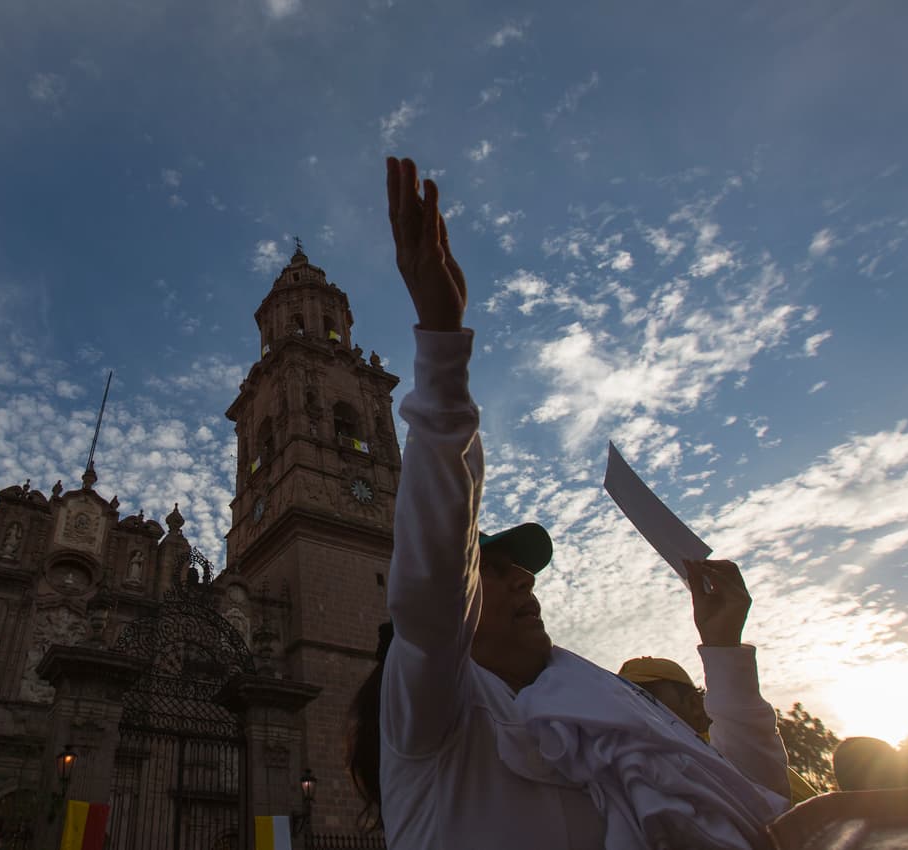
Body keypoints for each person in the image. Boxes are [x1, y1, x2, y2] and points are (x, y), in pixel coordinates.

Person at [347, 157, 790, 850]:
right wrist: (441, 339)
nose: (523, 578)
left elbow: (757, 812)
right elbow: (433, 582)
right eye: (492, 569)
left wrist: (724, 649)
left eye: (520, 570)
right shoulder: (436, 718)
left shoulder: (602, 722)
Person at [619, 657, 818, 805]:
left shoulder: (719, 751)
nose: (636, 707)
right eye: (627, 699)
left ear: (694, 704)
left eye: (647, 697)